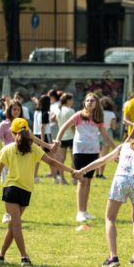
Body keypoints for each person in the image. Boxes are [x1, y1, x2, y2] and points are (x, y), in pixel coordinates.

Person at [0, 118, 79, 266]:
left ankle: (1, 255)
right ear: (28, 132)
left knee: (13, 225)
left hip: (11, 189)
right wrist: (71, 170)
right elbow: (52, 162)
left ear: (12, 133)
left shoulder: (8, 149)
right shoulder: (34, 148)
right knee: (16, 223)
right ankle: (23, 256)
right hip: (25, 191)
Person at [75, 132, 134, 267]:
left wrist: (83, 170)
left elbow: (102, 160)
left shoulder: (124, 146)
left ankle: (113, 257)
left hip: (121, 180)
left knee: (110, 218)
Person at [54, 92, 115, 227]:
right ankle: (80, 212)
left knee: (88, 181)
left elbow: (106, 136)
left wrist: (117, 150)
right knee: (82, 181)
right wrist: (57, 140)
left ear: (96, 103)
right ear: (84, 103)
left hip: (93, 152)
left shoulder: (98, 118)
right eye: (87, 100)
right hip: (80, 151)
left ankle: (85, 210)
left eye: (92, 101)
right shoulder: (78, 115)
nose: (90, 103)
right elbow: (64, 127)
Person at [55, 92, 76, 184]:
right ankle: (74, 179)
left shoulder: (58, 110)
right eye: (72, 99)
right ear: (67, 100)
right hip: (71, 136)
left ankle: (62, 178)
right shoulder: (71, 111)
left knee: (61, 159)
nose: (73, 101)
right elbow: (73, 126)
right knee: (74, 159)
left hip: (62, 137)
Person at [96, 96, 117, 179]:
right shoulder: (112, 114)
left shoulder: (98, 112)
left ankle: (96, 172)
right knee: (104, 155)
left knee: (96, 154)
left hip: (97, 133)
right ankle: (101, 174)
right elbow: (113, 127)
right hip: (107, 133)